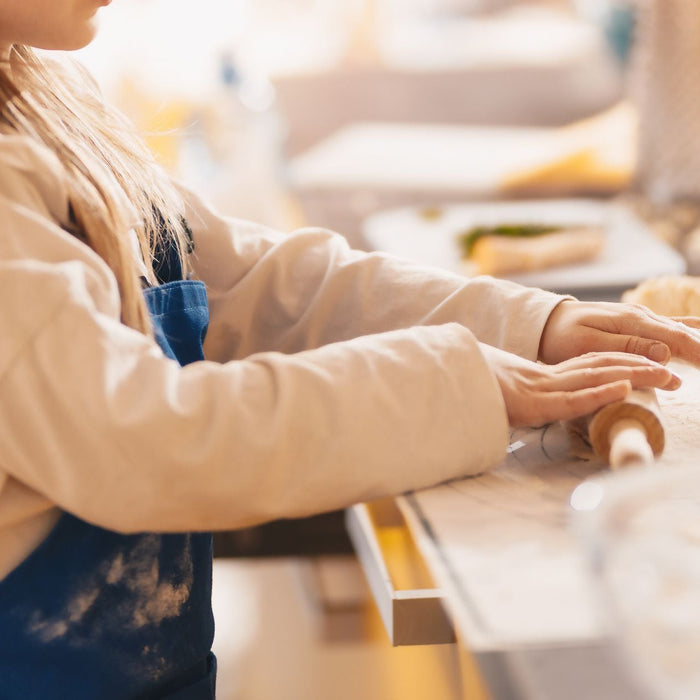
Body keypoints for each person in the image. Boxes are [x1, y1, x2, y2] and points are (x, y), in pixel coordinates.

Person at [1, 2, 699, 698]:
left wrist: (528, 326)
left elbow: (255, 285)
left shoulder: (42, 94)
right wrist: (453, 384)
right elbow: (145, 443)